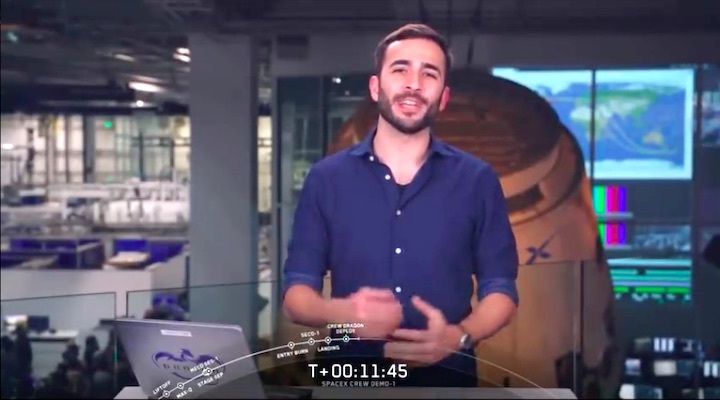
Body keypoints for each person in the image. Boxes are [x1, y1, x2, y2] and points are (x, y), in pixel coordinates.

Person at [282, 23, 519, 388]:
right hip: (351, 382)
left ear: (443, 97)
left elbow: (501, 290)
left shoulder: (477, 180)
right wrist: (342, 312)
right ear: (376, 87)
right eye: (400, 70)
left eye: (429, 74)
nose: (413, 84)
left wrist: (460, 336)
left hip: (445, 384)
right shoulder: (326, 178)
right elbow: (296, 296)